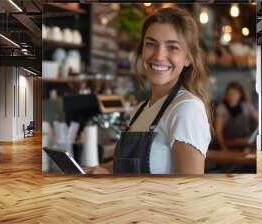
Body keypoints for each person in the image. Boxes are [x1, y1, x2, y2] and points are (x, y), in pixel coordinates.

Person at [87, 7, 212, 174]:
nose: (159, 56)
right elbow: (134, 167)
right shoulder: (139, 110)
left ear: (188, 58)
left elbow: (191, 191)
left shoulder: (186, 108)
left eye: (172, 47)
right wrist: (101, 170)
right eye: (151, 44)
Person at [215, 82, 258, 152]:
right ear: (226, 95)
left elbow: (261, 122)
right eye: (229, 94)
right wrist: (224, 148)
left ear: (240, 95)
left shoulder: (247, 106)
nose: (231, 97)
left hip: (246, 145)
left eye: (234, 94)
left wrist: (253, 139)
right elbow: (218, 131)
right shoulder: (222, 108)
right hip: (228, 145)